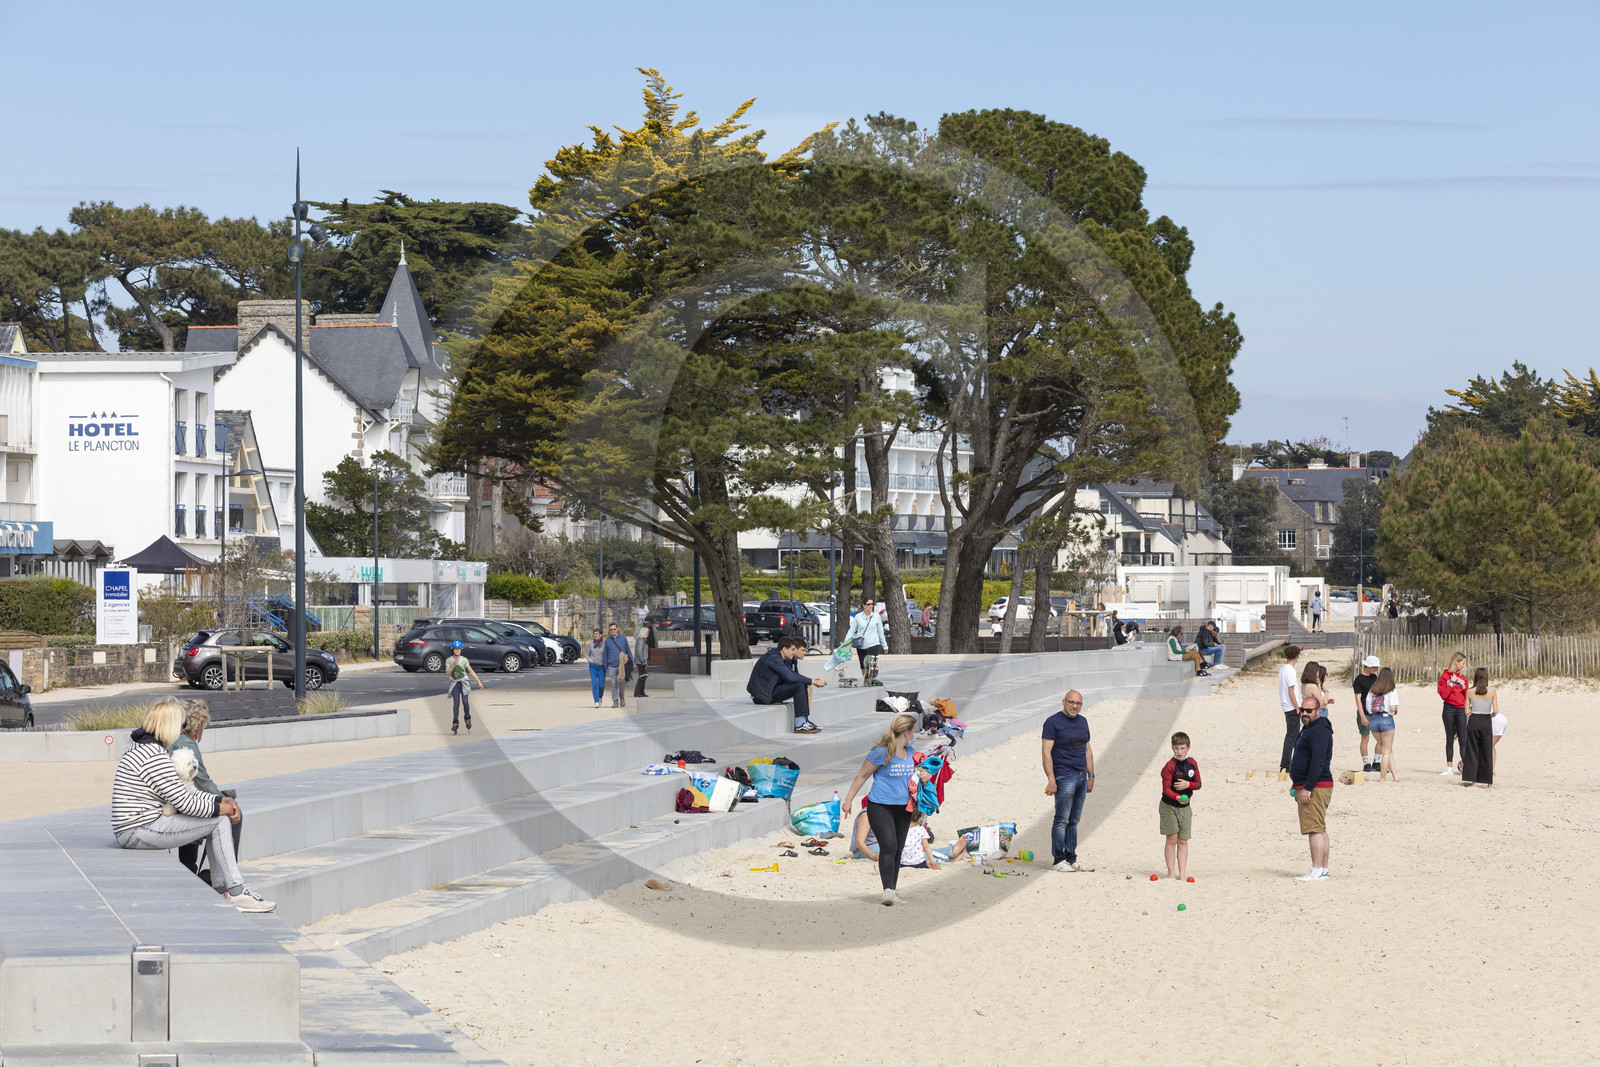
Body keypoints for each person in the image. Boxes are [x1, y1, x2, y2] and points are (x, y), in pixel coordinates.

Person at [111, 699, 275, 912]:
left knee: (219, 816)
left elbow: (184, 791)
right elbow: (185, 802)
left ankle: (226, 889)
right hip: (138, 830)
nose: (181, 729)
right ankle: (233, 892)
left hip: (135, 827)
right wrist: (221, 808)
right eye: (179, 724)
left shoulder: (144, 746)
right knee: (219, 821)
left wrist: (218, 801)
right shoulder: (153, 755)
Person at [841, 713, 926, 905]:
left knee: (897, 849)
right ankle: (887, 891)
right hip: (880, 806)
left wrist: (924, 776)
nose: (914, 735)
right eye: (913, 732)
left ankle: (893, 890)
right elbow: (862, 776)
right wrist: (848, 801)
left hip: (903, 808)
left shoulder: (912, 753)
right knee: (888, 845)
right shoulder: (880, 752)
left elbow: (918, 776)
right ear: (905, 732)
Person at [169, 699, 242, 880]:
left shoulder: (171, 737)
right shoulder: (186, 743)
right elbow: (201, 781)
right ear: (198, 725)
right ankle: (225, 875)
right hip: (179, 802)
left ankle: (190, 868)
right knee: (233, 815)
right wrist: (225, 800)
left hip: (170, 799)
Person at [1041, 690, 1096, 873]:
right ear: (1063, 702)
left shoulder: (1083, 721)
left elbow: (1087, 750)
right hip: (1064, 775)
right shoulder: (1052, 722)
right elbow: (1046, 752)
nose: (1074, 706)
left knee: (1074, 820)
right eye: (1071, 702)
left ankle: (1072, 858)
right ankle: (1059, 859)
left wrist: (1091, 775)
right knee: (1061, 819)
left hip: (1081, 774)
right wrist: (1051, 779)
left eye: (1078, 703)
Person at [1289, 695, 1334, 881]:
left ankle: (1316, 869)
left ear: (1318, 711)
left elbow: (1318, 761)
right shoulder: (1310, 728)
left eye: (1309, 710)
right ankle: (1323, 869)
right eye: (1303, 710)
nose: (1305, 714)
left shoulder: (1319, 731)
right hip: (1311, 784)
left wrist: (1307, 787)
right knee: (1320, 828)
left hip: (1316, 786)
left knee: (1314, 829)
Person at [747, 635, 827, 733]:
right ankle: (801, 724)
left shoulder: (781, 657)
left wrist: (806, 683)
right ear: (784, 649)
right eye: (793, 649)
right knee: (799, 686)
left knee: (801, 684)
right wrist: (813, 681)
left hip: (770, 691)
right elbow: (790, 676)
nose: (794, 652)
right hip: (762, 696)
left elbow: (793, 675)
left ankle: (804, 721)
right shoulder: (773, 658)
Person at [1160, 731, 1201, 880]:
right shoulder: (1169, 766)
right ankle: (1171, 874)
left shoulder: (1192, 763)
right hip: (1168, 806)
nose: (1179, 752)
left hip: (1185, 807)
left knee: (1183, 840)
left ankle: (1182, 874)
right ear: (1172, 748)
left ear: (1188, 748)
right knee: (1171, 838)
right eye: (1176, 748)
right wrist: (1177, 797)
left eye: (1182, 748)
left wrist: (1187, 784)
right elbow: (1166, 789)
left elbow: (1198, 784)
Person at [1360, 667, 1400, 782]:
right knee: (1386, 751)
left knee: (1387, 748)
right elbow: (1392, 707)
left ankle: (1394, 776)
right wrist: (1396, 710)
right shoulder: (1391, 689)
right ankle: (1382, 778)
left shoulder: (1373, 689)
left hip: (1374, 720)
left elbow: (1368, 707)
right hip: (1386, 719)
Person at [1461, 667, 1497, 788]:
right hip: (1486, 720)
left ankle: (1474, 781)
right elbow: (1496, 711)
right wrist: (1490, 715)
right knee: (1487, 751)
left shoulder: (1470, 692)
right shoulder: (1492, 691)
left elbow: (1466, 711)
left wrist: (1475, 708)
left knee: (1472, 750)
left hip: (1474, 720)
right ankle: (1489, 783)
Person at [899, 810, 968, 869]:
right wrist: (932, 862)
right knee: (923, 855)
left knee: (912, 849)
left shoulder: (900, 830)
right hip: (918, 863)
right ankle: (950, 853)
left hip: (901, 863)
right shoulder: (920, 829)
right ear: (919, 819)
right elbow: (926, 847)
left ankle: (950, 853)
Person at [1437, 652, 1469, 776]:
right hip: (1449, 709)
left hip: (1461, 710)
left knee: (1463, 739)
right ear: (1456, 662)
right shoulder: (1445, 676)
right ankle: (1449, 768)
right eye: (1462, 663)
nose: (1463, 666)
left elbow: (1468, 696)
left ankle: (1466, 767)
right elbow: (1443, 694)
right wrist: (1451, 683)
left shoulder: (1464, 678)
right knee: (1449, 738)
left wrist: (1462, 685)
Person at [840, 597, 887, 676]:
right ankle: (865, 679)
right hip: (861, 645)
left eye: (872, 604)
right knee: (863, 666)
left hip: (873, 644)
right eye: (868, 604)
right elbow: (851, 631)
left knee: (872, 665)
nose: (870, 606)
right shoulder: (858, 617)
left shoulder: (876, 616)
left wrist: (885, 646)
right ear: (864, 605)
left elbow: (880, 632)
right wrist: (845, 643)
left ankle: (871, 679)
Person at [444, 641, 483, 734]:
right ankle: (455, 722)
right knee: (456, 703)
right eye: (455, 649)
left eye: (459, 649)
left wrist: (479, 682)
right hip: (455, 683)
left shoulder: (464, 660)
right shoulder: (449, 660)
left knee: (465, 701)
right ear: (452, 649)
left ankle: (467, 717)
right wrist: (453, 665)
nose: (457, 650)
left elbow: (471, 671)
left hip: (463, 683)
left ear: (461, 649)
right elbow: (447, 673)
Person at [1278, 645, 1304, 772]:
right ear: (1297, 656)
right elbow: (1291, 691)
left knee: (1291, 735)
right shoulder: (1291, 671)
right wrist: (1297, 707)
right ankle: (1286, 764)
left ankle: (1286, 763)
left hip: (1285, 705)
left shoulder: (1283, 669)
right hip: (1291, 706)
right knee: (1292, 736)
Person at [1353, 655, 1381, 772]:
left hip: (1375, 712)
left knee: (1381, 739)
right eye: (1374, 666)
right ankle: (1366, 763)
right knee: (1365, 738)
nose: (1376, 669)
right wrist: (1363, 716)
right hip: (1364, 712)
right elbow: (1358, 699)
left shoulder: (1375, 677)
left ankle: (1377, 762)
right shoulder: (1359, 680)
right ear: (1368, 666)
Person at [603, 622, 632, 709]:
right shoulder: (607, 641)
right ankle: (615, 700)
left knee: (622, 682)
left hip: (621, 665)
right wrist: (606, 666)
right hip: (611, 665)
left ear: (617, 629)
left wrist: (631, 662)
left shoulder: (623, 639)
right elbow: (605, 654)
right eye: (611, 629)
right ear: (609, 630)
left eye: (614, 629)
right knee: (613, 683)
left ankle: (622, 696)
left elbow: (628, 650)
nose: (613, 631)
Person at [633, 621, 656, 698]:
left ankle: (641, 691)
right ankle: (637, 692)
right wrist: (643, 661)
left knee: (644, 677)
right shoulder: (641, 640)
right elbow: (639, 651)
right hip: (640, 661)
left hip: (642, 661)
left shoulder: (643, 640)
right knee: (642, 676)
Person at [585, 628, 606, 708]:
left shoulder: (605, 644)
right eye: (594, 634)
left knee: (601, 685)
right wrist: (589, 660)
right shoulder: (591, 644)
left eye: (597, 634)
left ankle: (600, 697)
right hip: (593, 666)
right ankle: (596, 701)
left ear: (601, 635)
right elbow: (587, 655)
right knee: (594, 684)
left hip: (602, 666)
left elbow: (607, 654)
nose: (595, 635)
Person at [1492, 704, 1508, 771]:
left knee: (1490, 746)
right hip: (1502, 719)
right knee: (1491, 746)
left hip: (1497, 721)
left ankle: (1491, 770)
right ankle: (1492, 770)